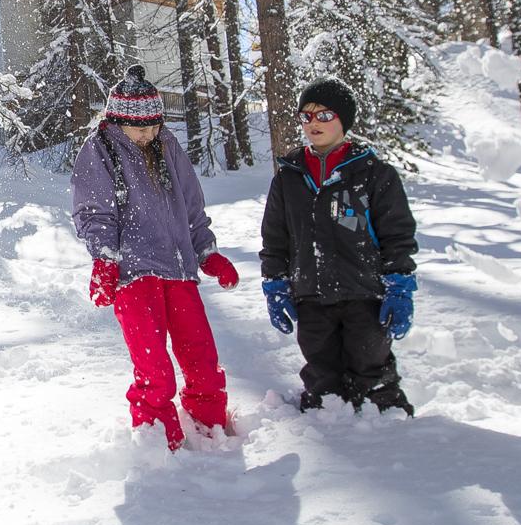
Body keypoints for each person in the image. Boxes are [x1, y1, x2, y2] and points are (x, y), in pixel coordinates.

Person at [72, 64, 241, 451]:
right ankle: (158, 444)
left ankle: (209, 429)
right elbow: (94, 212)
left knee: (202, 361)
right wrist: (105, 260)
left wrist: (205, 250)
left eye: (155, 124)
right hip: (133, 275)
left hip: (178, 270)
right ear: (118, 120)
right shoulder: (100, 151)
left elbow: (191, 203)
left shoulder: (166, 145)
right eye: (141, 126)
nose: (149, 133)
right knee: (156, 372)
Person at [259, 78, 420, 415]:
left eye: (323, 115)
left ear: (344, 120)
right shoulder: (289, 177)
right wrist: (276, 283)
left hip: (364, 293)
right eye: (306, 116)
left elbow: (397, 234)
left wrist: (399, 284)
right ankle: (326, 418)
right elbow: (275, 237)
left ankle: (388, 421)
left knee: (370, 363)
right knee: (321, 370)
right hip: (311, 294)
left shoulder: (374, 173)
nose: (313, 123)